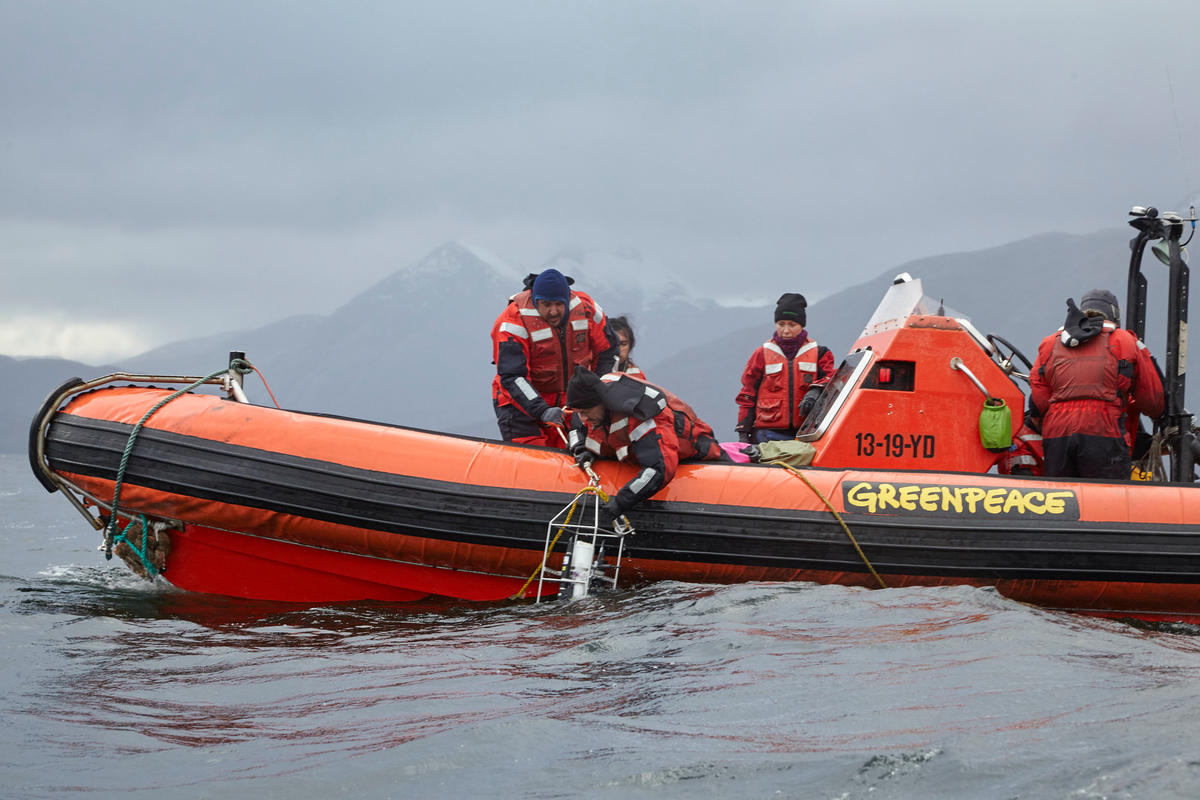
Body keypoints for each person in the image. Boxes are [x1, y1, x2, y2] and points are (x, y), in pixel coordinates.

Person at [1029, 289, 1164, 479]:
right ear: (1114, 314)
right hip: (1104, 431)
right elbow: (1151, 399)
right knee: (1110, 501)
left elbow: (1039, 397)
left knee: (1064, 501)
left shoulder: (1050, 343)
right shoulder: (1126, 340)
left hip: (1058, 435)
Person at [565, 367, 727, 519]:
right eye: (580, 413)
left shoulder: (642, 415)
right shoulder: (591, 405)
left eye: (586, 412)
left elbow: (660, 469)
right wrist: (581, 449)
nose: (583, 418)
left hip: (696, 451)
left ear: (602, 402)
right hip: (634, 453)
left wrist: (622, 501)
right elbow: (575, 425)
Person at [491, 268, 620, 447]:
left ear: (567, 300)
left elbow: (609, 351)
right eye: (546, 305)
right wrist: (542, 410)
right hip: (519, 405)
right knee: (534, 458)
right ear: (536, 302)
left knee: (572, 456)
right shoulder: (513, 321)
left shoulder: (587, 309)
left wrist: (597, 393)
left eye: (559, 304)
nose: (553, 312)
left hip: (571, 403)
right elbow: (512, 377)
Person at [735, 293, 836, 443]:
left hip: (805, 434)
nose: (786, 330)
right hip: (766, 435)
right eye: (781, 324)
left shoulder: (820, 353)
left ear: (802, 325)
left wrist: (815, 391)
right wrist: (743, 431)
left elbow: (832, 381)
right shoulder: (761, 354)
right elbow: (747, 394)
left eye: (792, 325)